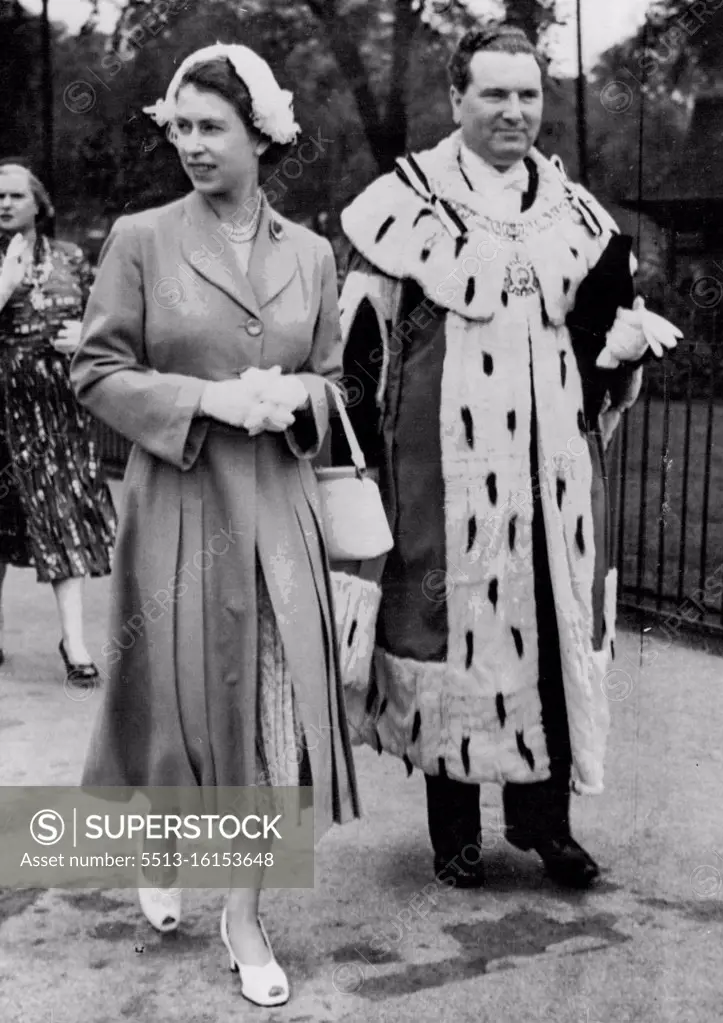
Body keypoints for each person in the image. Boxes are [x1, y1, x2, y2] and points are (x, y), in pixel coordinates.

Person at [335, 26, 678, 890]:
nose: (512, 112)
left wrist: (623, 349)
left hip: (555, 477)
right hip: (441, 481)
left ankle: (545, 822)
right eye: (493, 94)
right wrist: (367, 464)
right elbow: (359, 355)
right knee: (449, 633)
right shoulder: (402, 207)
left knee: (553, 634)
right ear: (456, 101)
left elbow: (599, 354)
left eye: (527, 95)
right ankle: (454, 832)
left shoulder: (581, 219)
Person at [70, 44, 359, 1008]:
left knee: (271, 720)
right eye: (180, 126)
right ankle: (160, 838)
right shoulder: (140, 238)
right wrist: (206, 400)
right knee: (178, 703)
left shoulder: (313, 253)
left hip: (278, 515)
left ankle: (242, 913)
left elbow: (336, 378)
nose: (190, 144)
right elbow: (96, 371)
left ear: (261, 136)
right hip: (180, 511)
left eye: (211, 127)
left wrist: (299, 400)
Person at [0, 161, 116, 682]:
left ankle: (75, 641)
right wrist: (6, 281)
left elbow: (106, 319)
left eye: (15, 196)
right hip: (3, 411)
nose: (4, 204)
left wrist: (84, 339)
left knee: (63, 516)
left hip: (56, 414)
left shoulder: (70, 257)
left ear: (39, 203)